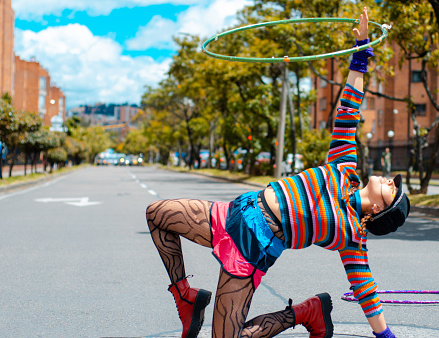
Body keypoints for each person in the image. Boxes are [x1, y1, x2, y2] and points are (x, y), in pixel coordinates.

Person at [145, 7, 409, 338]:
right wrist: (361, 52)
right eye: (393, 182)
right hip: (236, 213)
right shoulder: (344, 167)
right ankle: (186, 296)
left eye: (392, 190)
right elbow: (348, 111)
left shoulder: (351, 236)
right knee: (156, 215)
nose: (389, 180)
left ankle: (305, 312)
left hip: (254, 245)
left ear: (378, 211)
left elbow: (366, 290)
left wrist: (385, 336)